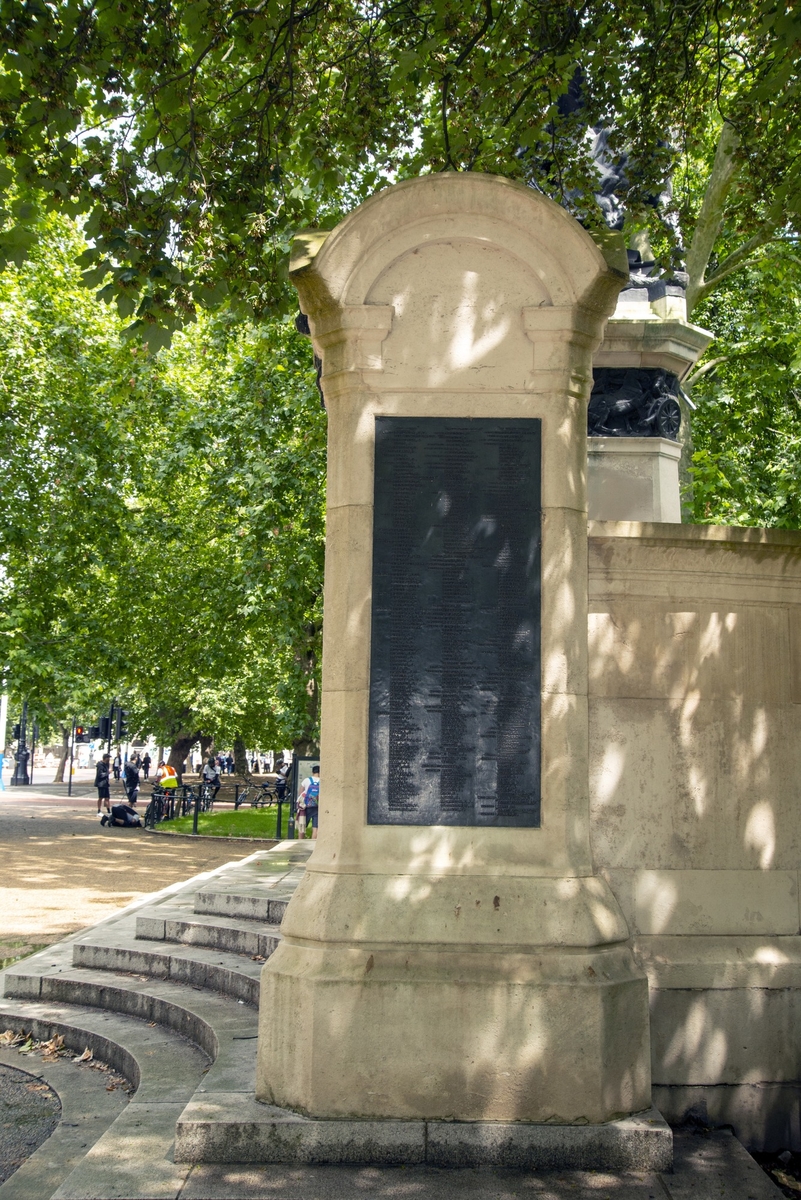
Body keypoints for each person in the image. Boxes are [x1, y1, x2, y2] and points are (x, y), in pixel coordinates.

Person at [297, 764, 320, 840]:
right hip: (317, 806)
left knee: (302, 825)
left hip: (306, 806)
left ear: (312, 772)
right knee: (315, 827)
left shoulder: (307, 780)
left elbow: (300, 792)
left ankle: (300, 842)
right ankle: (313, 844)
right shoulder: (322, 781)